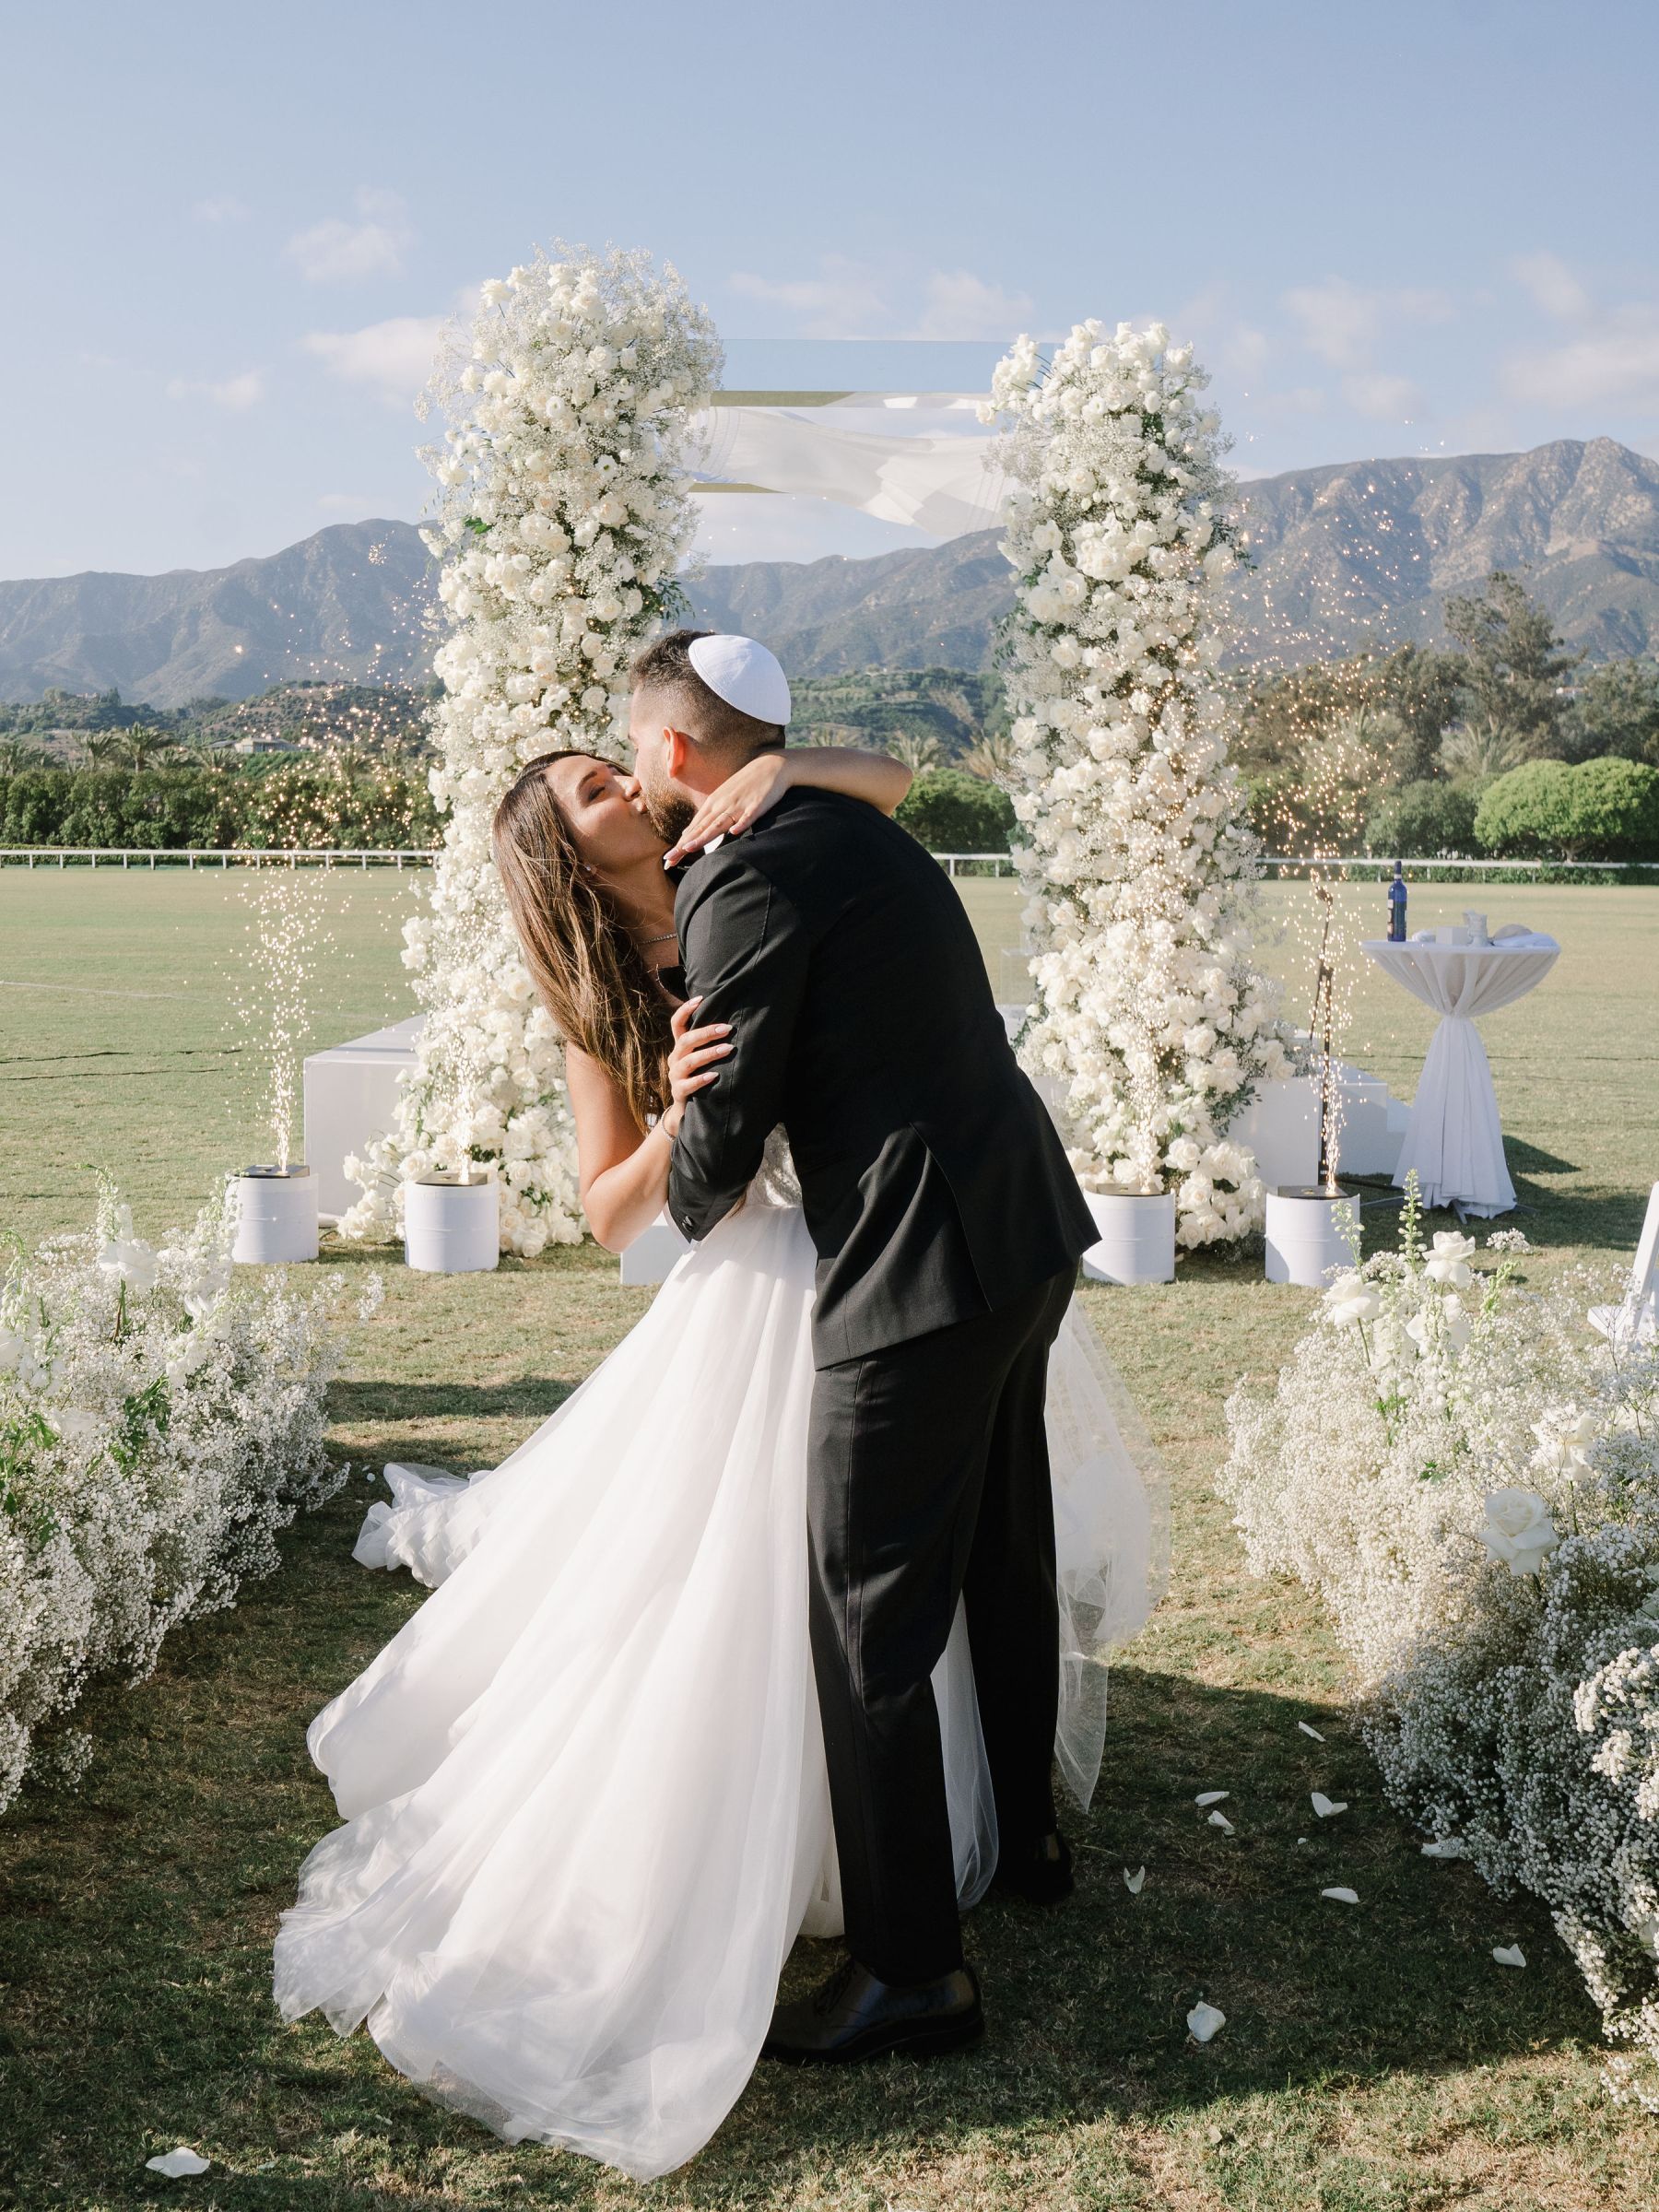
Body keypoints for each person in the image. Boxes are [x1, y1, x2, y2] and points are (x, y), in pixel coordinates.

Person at [273, 631, 1167, 2182]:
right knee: (903, 1575)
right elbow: (626, 1207)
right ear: (565, 844)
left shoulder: (746, 847)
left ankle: (933, 1937)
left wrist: (770, 767)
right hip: (861, 1252)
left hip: (891, 1251)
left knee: (899, 1592)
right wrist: (691, 1099)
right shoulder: (618, 976)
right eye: (588, 785)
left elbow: (866, 786)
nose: (617, 779)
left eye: (621, 759)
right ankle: (987, 1864)